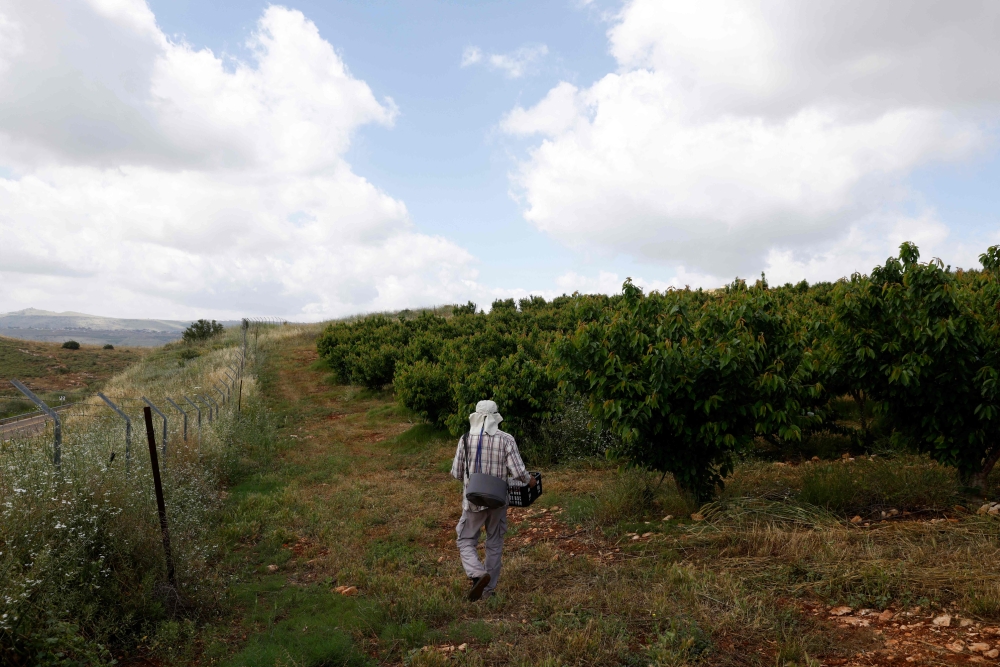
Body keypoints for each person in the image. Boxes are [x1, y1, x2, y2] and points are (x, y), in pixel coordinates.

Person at [450, 400, 536, 601]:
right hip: (498, 500)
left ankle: (478, 574)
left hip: (473, 501)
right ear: (496, 417)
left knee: (465, 540)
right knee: (494, 542)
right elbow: (518, 472)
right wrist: (530, 480)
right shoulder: (506, 439)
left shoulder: (465, 439)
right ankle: (488, 592)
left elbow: (456, 473)